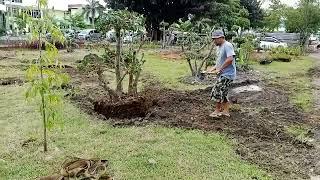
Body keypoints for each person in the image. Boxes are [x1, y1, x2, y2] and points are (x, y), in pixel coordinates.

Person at [207, 30, 236, 118]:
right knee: (223, 92)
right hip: (224, 73)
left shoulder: (227, 45)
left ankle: (217, 111)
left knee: (217, 91)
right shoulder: (219, 47)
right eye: (213, 39)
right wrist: (212, 69)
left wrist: (220, 69)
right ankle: (226, 111)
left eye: (215, 39)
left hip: (228, 74)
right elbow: (220, 61)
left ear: (221, 38)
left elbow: (230, 59)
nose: (214, 41)